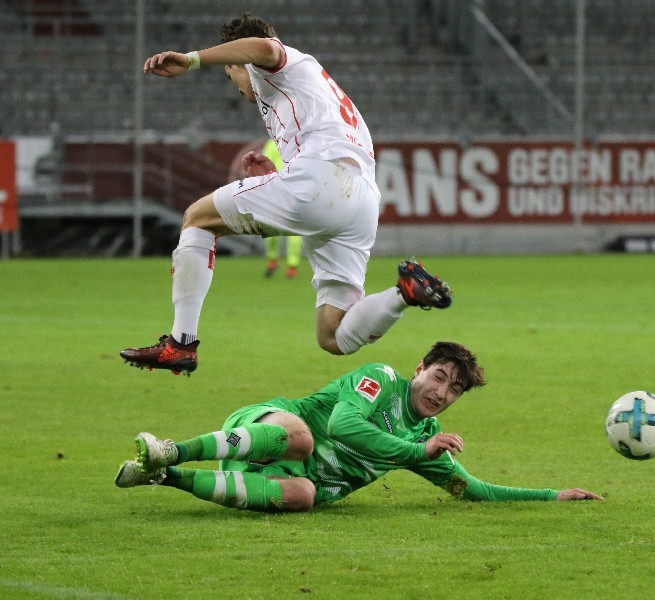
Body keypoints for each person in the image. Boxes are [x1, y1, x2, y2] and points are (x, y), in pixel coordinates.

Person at [120, 12, 451, 376]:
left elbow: (263, 48)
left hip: (322, 180)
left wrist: (193, 59)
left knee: (197, 219)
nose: (238, 87)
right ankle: (405, 292)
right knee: (334, 334)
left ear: (236, 61)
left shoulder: (274, 63)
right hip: (360, 201)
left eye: (231, 74)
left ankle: (180, 344)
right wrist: (281, 178)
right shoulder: (317, 88)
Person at [115, 341, 602, 511]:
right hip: (266, 427)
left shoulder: (424, 440)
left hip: (280, 476)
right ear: (419, 368)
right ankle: (171, 451)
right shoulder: (381, 379)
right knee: (305, 438)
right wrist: (416, 454)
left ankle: (164, 477)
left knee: (305, 496)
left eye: (453, 389)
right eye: (438, 376)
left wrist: (552, 496)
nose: (441, 392)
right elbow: (346, 426)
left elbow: (470, 490)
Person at [257, 138, 303, 279]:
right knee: (277, 228)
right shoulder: (295, 143)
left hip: (290, 191)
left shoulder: (296, 143)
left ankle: (291, 265)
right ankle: (275, 260)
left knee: (291, 231)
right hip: (278, 191)